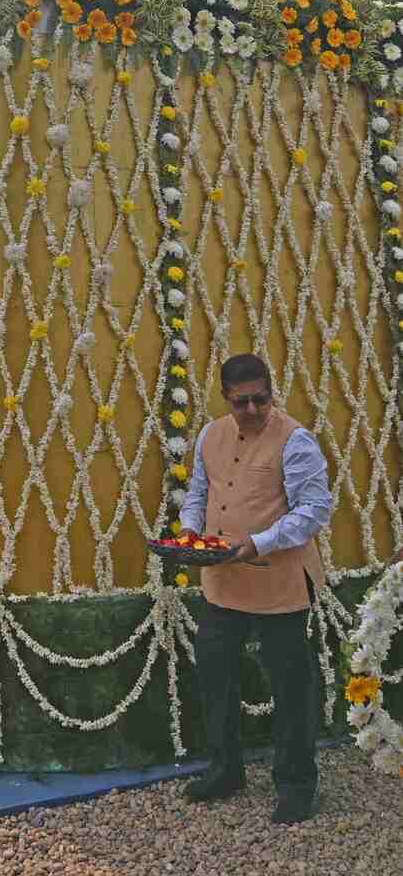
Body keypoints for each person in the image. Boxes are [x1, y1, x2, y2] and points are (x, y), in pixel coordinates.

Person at [178, 353, 330, 825]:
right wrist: (188, 534)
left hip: (279, 584)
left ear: (272, 392)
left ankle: (297, 784)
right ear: (225, 398)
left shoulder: (296, 440)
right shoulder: (209, 434)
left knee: (289, 687)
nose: (252, 410)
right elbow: (199, 495)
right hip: (221, 581)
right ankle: (226, 771)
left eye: (260, 399)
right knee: (216, 680)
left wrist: (257, 544)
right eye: (241, 401)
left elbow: (314, 511)